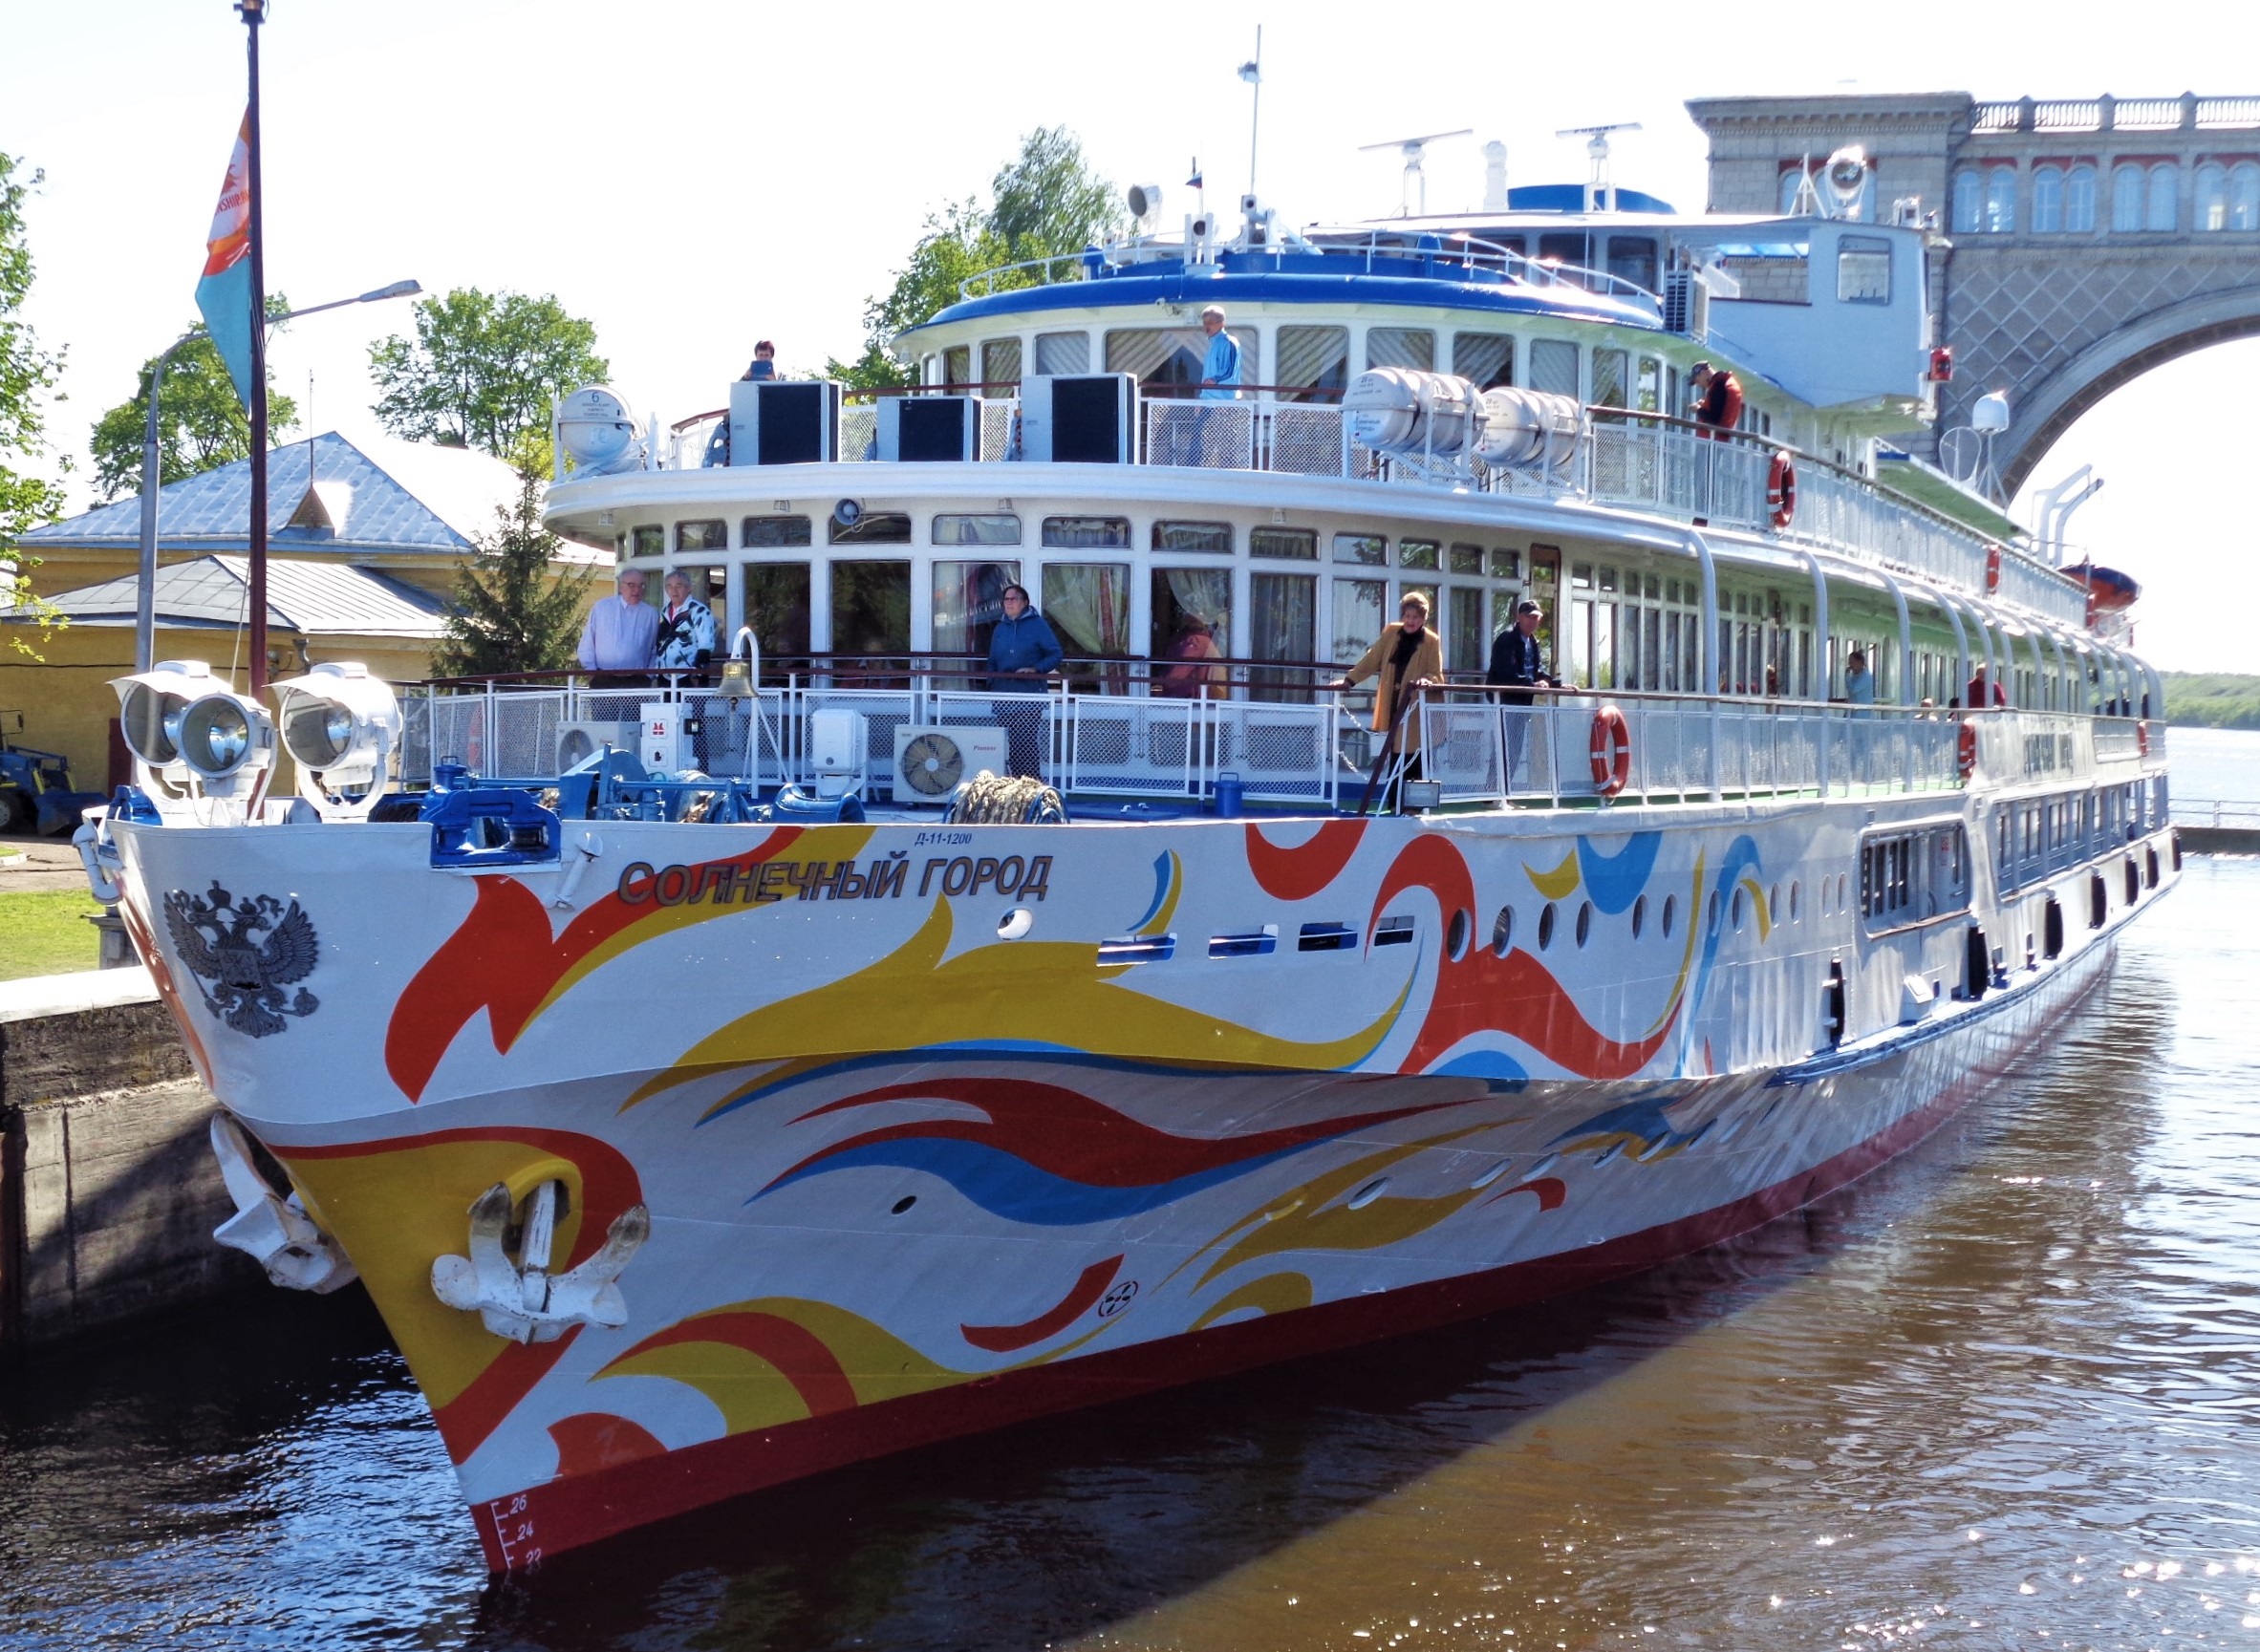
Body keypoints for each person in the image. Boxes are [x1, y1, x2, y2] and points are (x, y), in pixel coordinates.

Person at [1335, 593, 1444, 805]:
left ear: (1424, 619)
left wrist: (1426, 680)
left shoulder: (1431, 640)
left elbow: (1436, 673)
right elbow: (1371, 659)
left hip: (1414, 707)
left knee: (1413, 754)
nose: (1410, 621)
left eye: (1415, 617)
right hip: (1392, 703)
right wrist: (1349, 681)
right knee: (1395, 752)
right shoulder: (1391, 632)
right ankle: (1394, 804)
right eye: (1407, 616)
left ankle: (1413, 806)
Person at [983, 584, 1064, 777]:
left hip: (1028, 696)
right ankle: (1014, 783)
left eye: (1013, 599)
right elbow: (993, 660)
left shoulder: (1038, 625)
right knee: (1009, 743)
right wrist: (991, 682)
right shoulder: (1000, 628)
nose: (1008, 603)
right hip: (1003, 695)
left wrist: (1035, 669)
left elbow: (1055, 654)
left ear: (1025, 602)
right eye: (1006, 599)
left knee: (1025, 743)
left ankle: (1031, 783)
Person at [1486, 599, 1555, 788]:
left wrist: (1556, 684)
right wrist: (1532, 684)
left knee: (1514, 749)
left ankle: (1504, 792)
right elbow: (1506, 672)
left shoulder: (1532, 641)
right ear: (1519, 617)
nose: (1533, 621)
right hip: (1505, 701)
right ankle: (1492, 792)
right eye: (1529, 617)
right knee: (1503, 747)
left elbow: (1537, 670)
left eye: (1536, 618)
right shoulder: (1506, 639)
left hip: (1522, 703)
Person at [1689, 360, 1743, 527]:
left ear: (1703, 372)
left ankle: (1700, 521)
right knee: (1707, 480)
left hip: (1710, 442)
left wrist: (1698, 409)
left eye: (1697, 379)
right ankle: (1702, 518)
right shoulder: (1726, 383)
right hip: (1717, 441)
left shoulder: (1719, 386)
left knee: (1703, 481)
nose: (1699, 384)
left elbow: (1715, 419)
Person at [577, 568, 659, 679]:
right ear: (621, 587)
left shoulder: (651, 614)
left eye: (641, 585)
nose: (637, 590)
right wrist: (591, 671)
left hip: (638, 680)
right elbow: (587, 643)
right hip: (603, 677)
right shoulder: (602, 608)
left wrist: (649, 675)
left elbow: (654, 649)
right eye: (631, 585)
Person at [654, 570, 718, 678]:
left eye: (679, 586)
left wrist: (698, 675)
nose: (674, 590)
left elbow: (706, 645)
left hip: (688, 675)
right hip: (664, 674)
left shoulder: (699, 611)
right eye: (669, 586)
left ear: (688, 588)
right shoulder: (664, 611)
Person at [1155, 612, 1226, 699]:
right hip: (1197, 698)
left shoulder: (1196, 641)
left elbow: (1176, 675)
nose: (1185, 615)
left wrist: (1156, 682)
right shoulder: (1202, 639)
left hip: (1187, 700)